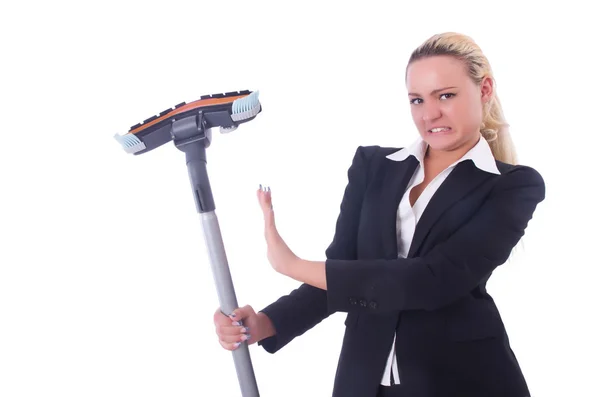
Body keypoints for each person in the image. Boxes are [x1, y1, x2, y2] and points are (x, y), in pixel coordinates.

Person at [213, 32, 545, 397]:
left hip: (463, 381)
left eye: (445, 95)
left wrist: (291, 263)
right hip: (363, 381)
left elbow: (434, 279)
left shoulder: (512, 186)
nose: (429, 114)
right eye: (417, 100)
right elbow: (343, 270)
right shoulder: (373, 167)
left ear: (484, 90)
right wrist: (265, 322)